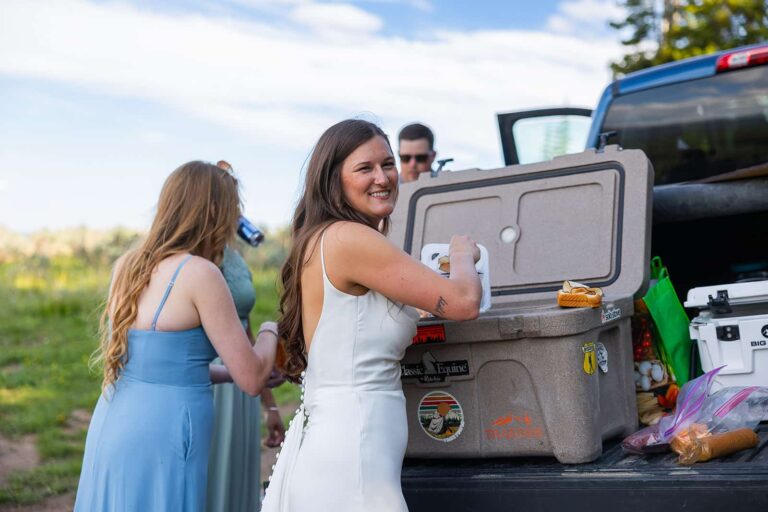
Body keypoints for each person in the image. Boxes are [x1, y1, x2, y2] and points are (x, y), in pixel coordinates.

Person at [262, 119, 481, 512]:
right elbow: (464, 302)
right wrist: (463, 254)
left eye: (388, 164)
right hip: (353, 454)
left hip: (344, 446)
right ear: (334, 181)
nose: (382, 177)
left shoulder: (327, 238)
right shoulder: (350, 239)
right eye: (365, 168)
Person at [74, 161, 279, 512]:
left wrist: (227, 371)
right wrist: (271, 329)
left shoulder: (127, 264)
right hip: (166, 432)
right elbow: (252, 377)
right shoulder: (202, 274)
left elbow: (165, 367)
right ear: (214, 211)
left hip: (114, 420)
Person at [207, 244, 285, 512]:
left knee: (238, 475)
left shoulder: (235, 253)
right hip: (211, 376)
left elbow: (246, 332)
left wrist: (270, 405)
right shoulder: (194, 253)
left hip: (241, 377)